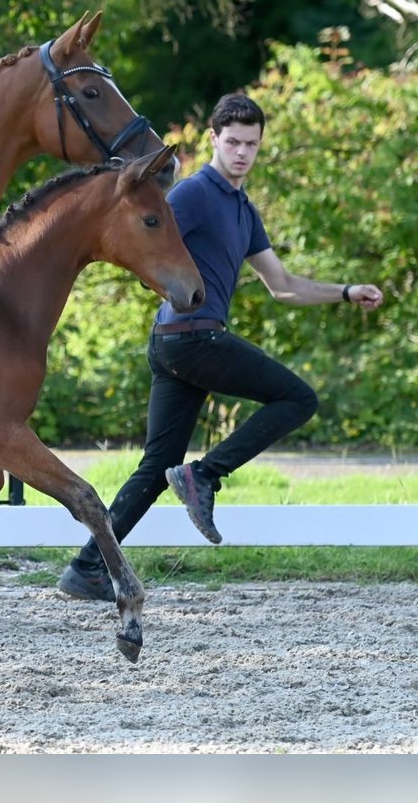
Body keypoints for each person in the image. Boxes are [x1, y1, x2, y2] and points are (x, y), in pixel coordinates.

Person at [57, 92, 385, 602]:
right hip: (191, 336)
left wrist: (344, 292)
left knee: (154, 466)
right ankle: (205, 474)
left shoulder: (243, 209)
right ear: (213, 140)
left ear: (259, 146)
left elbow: (283, 285)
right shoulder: (192, 194)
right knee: (299, 399)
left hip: (176, 345)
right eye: (232, 142)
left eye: (251, 144)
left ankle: (86, 568)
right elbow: (144, 245)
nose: (241, 153)